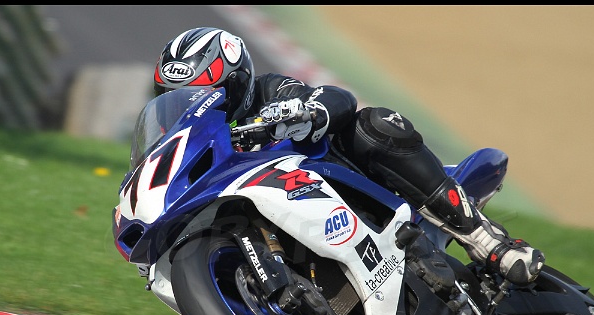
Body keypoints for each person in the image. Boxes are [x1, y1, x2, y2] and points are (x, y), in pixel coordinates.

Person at [152, 27, 545, 287]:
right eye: (176, 98)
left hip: (361, 198)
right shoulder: (200, 148)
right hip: (297, 239)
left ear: (234, 82)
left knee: (375, 124)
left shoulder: (270, 91)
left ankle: (482, 237)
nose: (192, 107)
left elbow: (335, 98)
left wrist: (306, 111)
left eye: (201, 93)